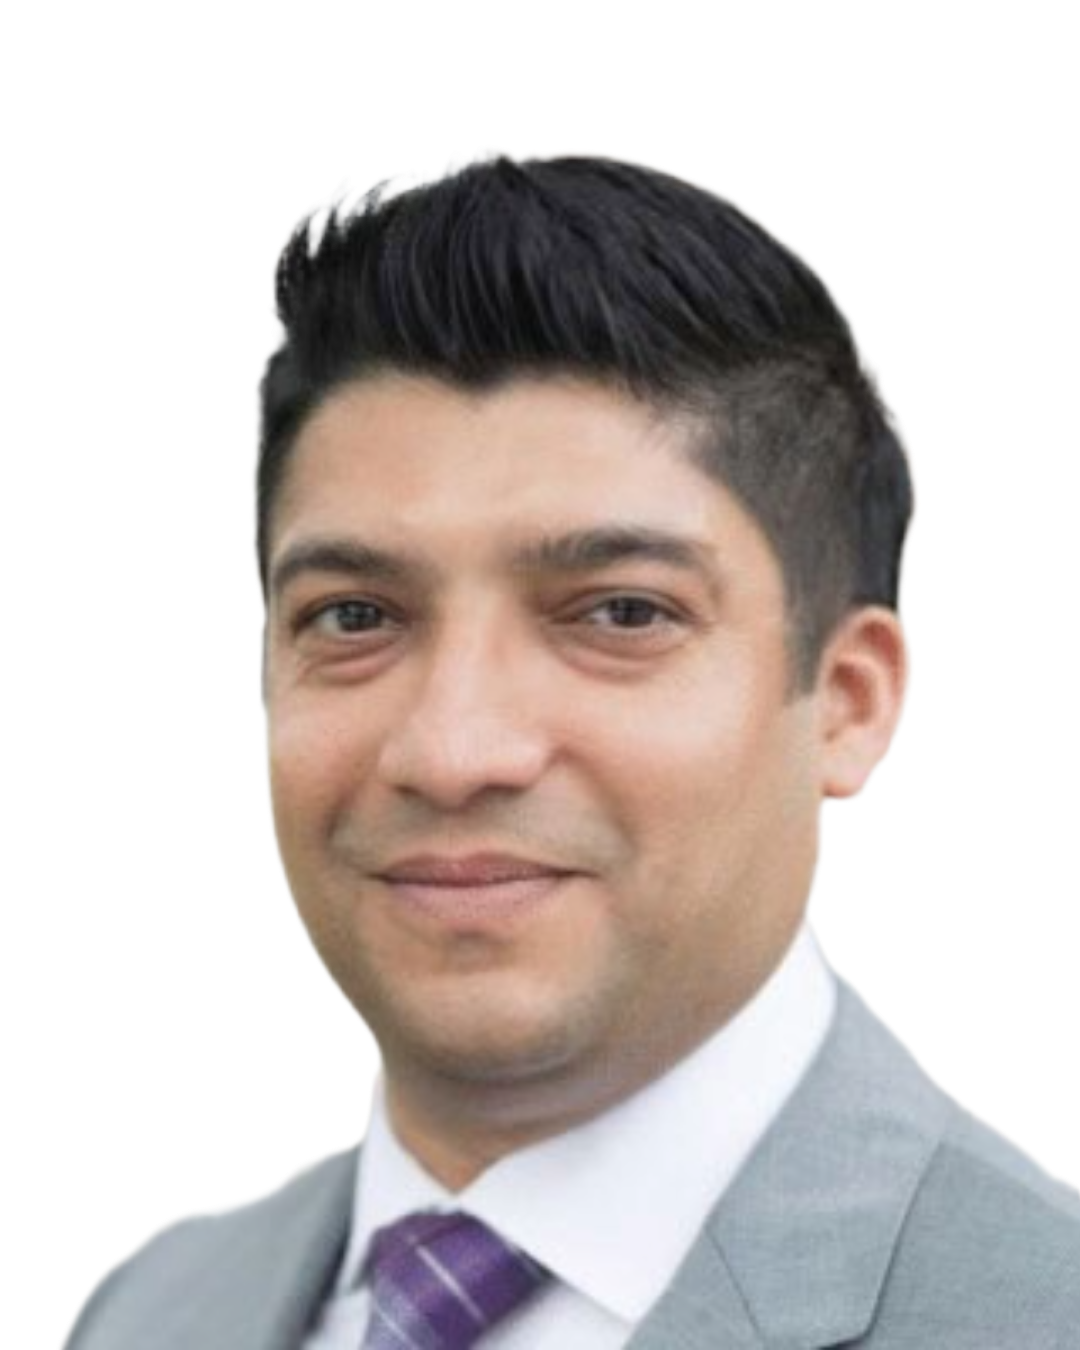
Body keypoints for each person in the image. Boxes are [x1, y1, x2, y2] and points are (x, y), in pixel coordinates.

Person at [62, 146, 1079, 1349]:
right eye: (355, 618)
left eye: (620, 613)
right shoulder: (152, 1309)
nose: (452, 750)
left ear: (846, 702)